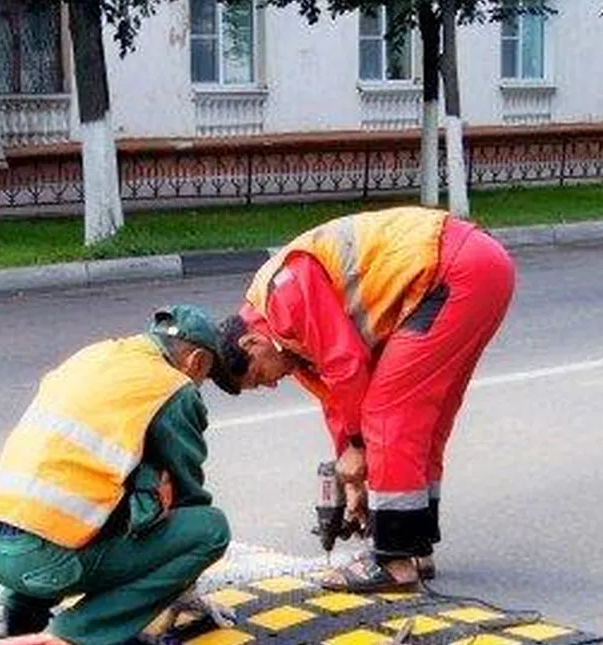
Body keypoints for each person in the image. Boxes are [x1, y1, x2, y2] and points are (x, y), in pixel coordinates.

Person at [214, 205, 514, 593]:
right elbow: (336, 398)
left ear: (250, 342)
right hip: (477, 269)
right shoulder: (288, 344)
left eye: (258, 377)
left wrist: (358, 447)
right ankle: (414, 544)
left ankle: (394, 562)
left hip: (454, 269)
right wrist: (353, 475)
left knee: (388, 411)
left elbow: (348, 366)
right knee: (424, 420)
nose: (270, 386)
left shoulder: (283, 295)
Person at [0, 304, 239, 645]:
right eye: (205, 375)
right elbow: (188, 495)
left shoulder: (94, 356)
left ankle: (17, 614)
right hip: (46, 562)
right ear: (197, 362)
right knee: (209, 529)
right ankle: (79, 635)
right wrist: (180, 583)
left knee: (76, 504)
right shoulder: (173, 387)